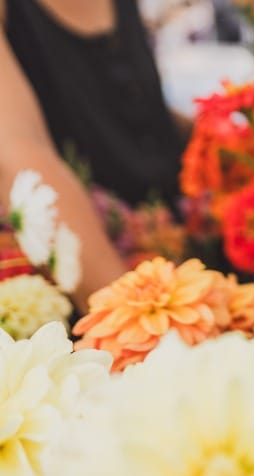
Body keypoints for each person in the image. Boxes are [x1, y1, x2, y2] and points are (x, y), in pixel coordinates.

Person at [0, 0, 185, 309]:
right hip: (93, 293)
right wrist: (133, 326)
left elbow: (123, 104)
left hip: (171, 258)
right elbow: (17, 157)